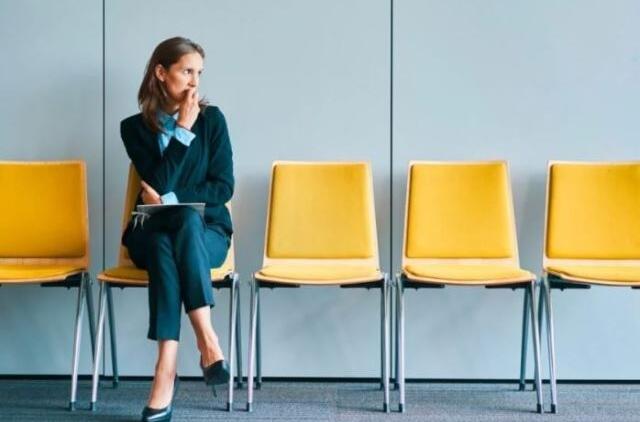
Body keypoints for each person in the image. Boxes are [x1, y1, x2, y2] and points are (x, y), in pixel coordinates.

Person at [120, 36, 233, 422]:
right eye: (187, 71)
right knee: (169, 231)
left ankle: (165, 369)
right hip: (148, 230)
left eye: (199, 73)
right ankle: (207, 338)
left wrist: (170, 199)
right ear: (161, 72)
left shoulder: (213, 121)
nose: (194, 82)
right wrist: (183, 129)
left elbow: (223, 188)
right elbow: (156, 180)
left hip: (207, 234)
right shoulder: (134, 129)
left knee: (177, 228)